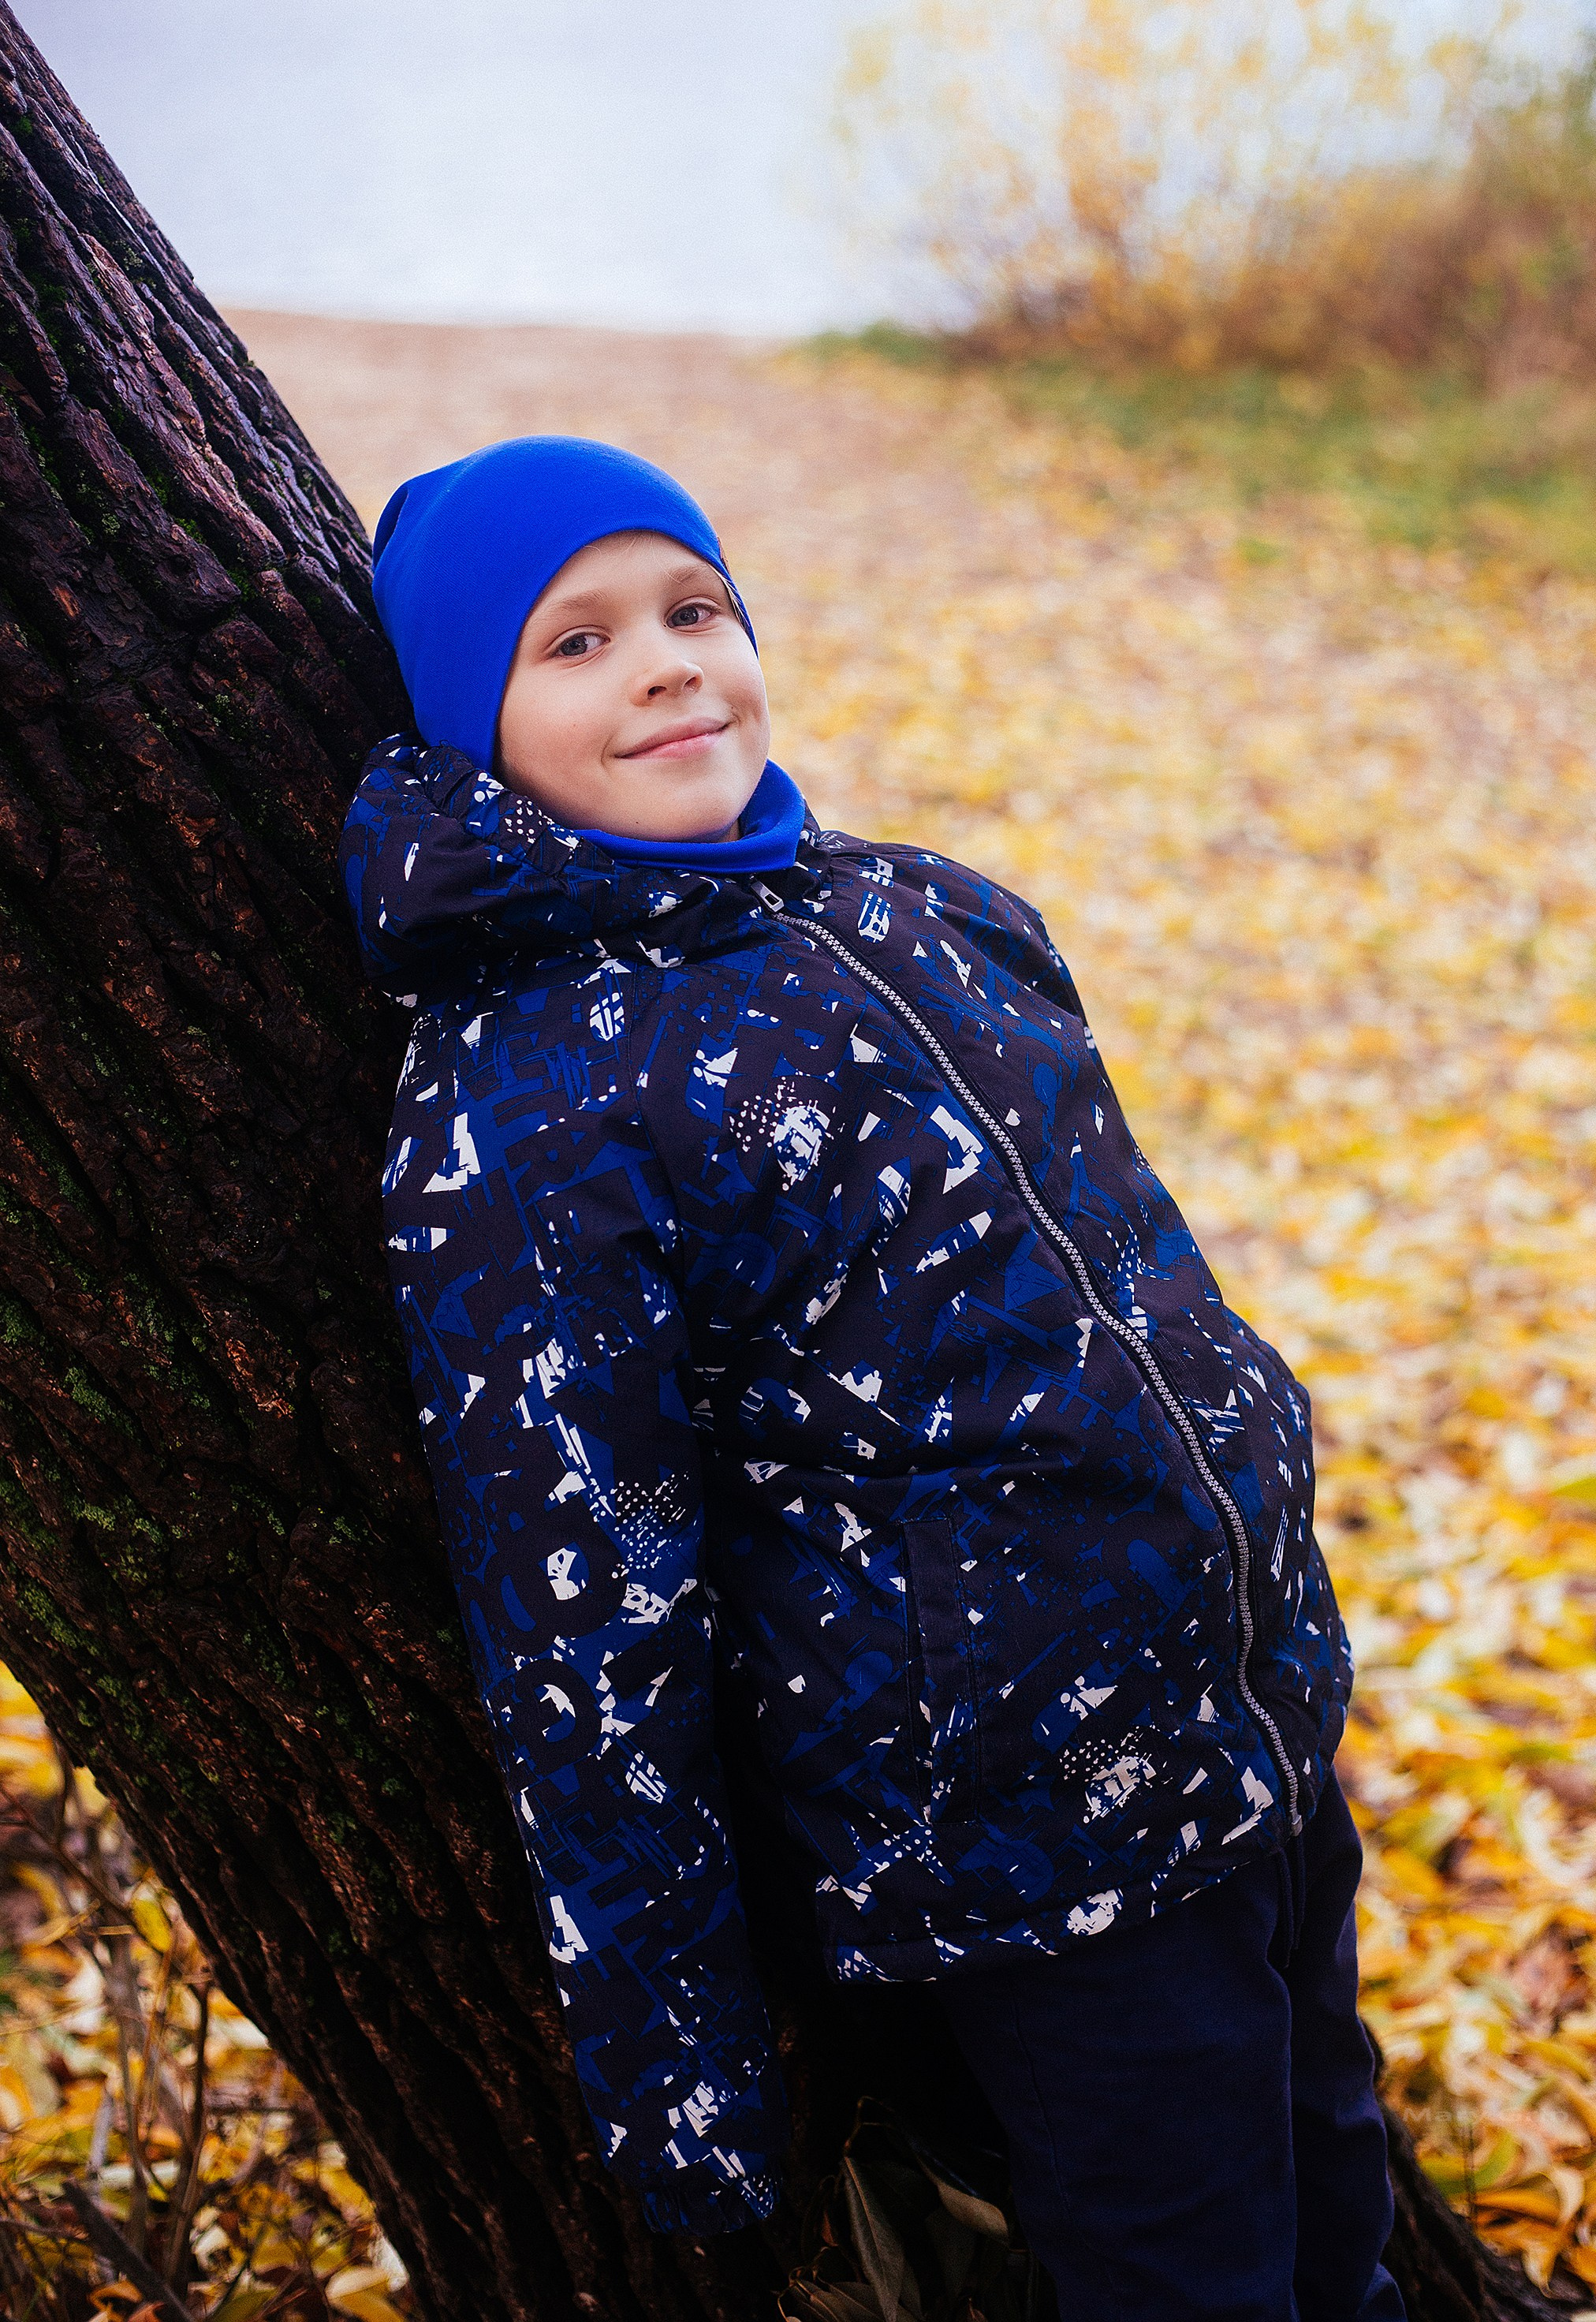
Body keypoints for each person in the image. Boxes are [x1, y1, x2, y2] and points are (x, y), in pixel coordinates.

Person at [341, 437, 1404, 2321]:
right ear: (461, 724)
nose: (667, 664)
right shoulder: (530, 1109)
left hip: (1248, 1711)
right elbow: (582, 1619)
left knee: (1340, 2186)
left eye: (694, 609)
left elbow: (1127, 1263)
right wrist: (683, 2074)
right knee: (1189, 2272)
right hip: (1028, 1841)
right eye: (570, 644)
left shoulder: (926, 909)